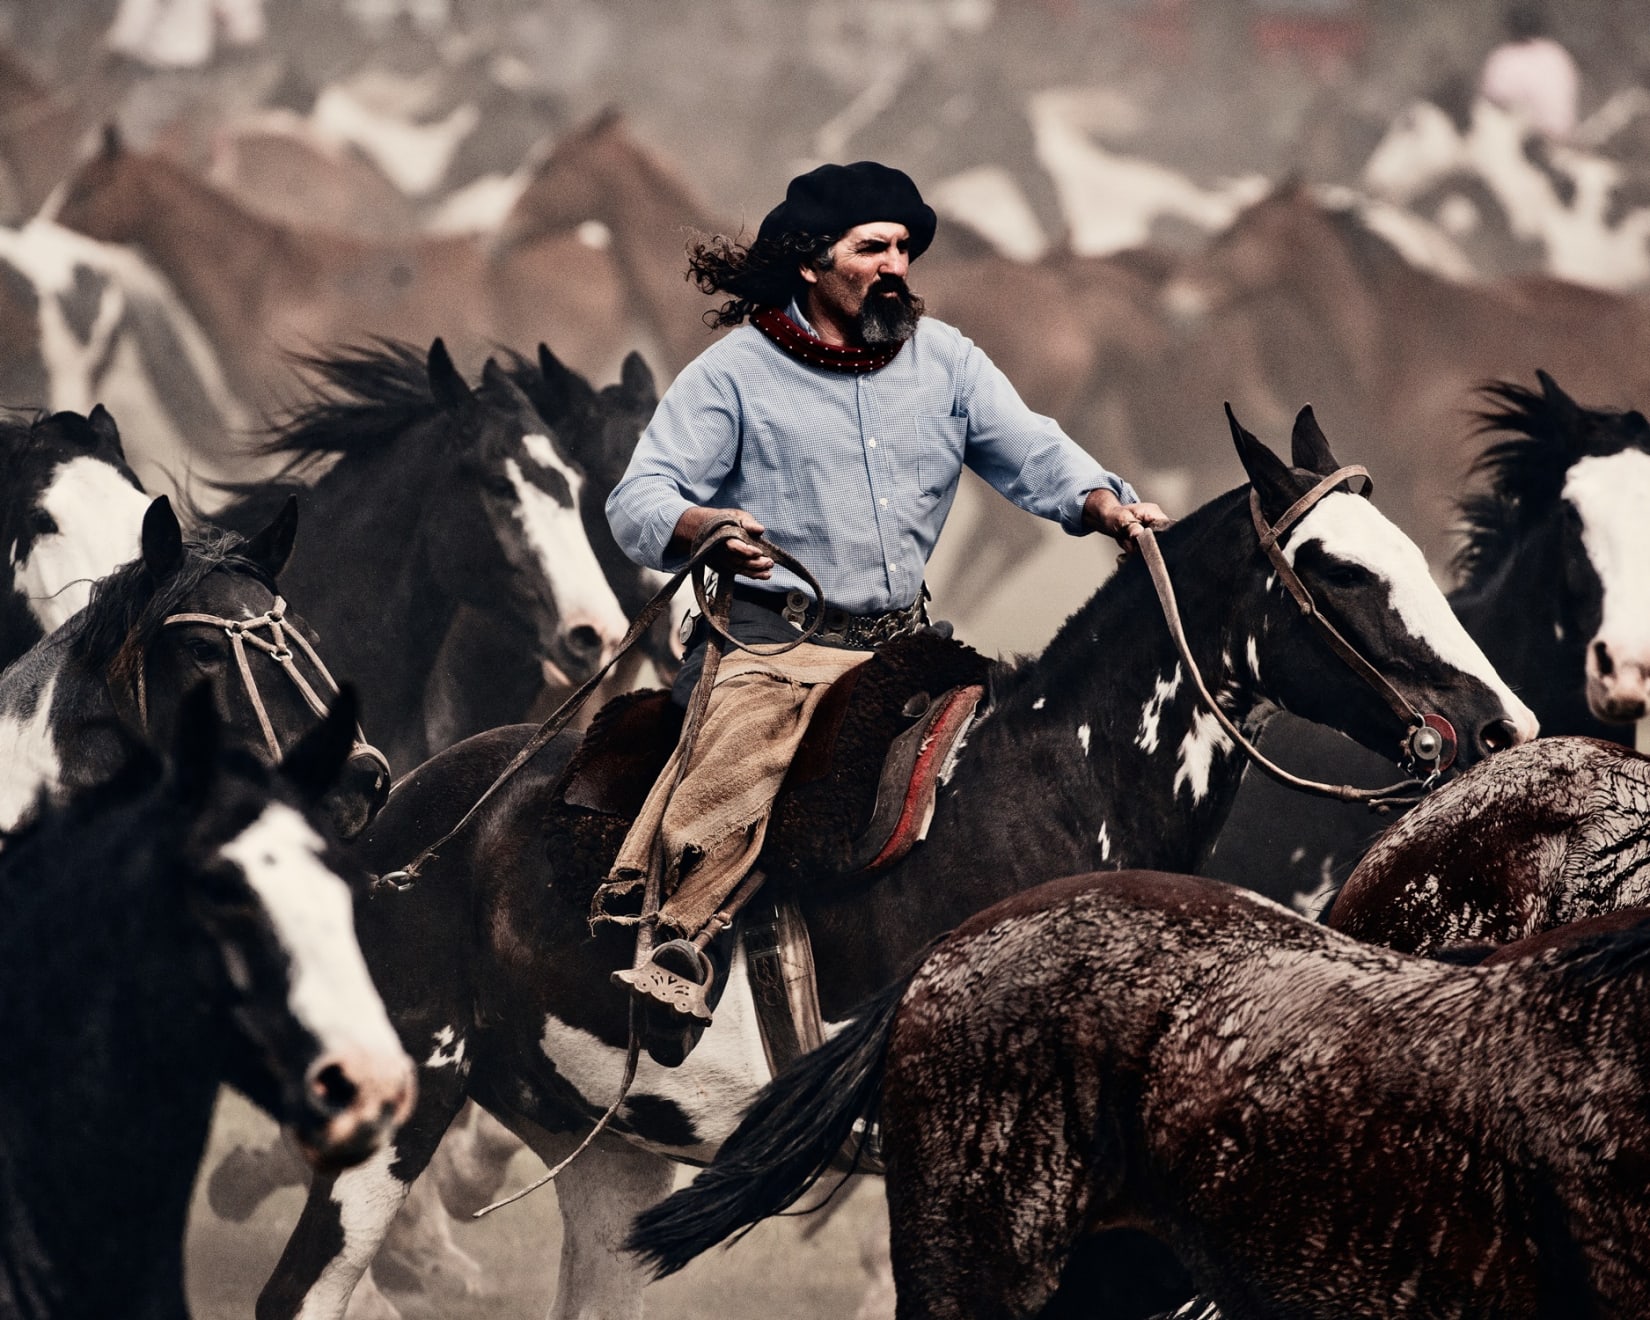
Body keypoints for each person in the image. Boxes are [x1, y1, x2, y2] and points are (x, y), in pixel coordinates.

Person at [599, 161, 1167, 1064]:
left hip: (905, 644)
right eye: (873, 248)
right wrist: (701, 523)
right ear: (811, 266)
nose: (897, 265)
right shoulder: (732, 375)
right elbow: (638, 499)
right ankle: (681, 942)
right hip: (774, 650)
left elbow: (1031, 447)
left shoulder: (948, 360)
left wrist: (1101, 500)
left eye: (905, 248)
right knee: (734, 769)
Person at [1478, 3, 1580, 144]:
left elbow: (1492, 103)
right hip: (1563, 137)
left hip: (1526, 143)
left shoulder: (1504, 58)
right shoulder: (1556, 54)